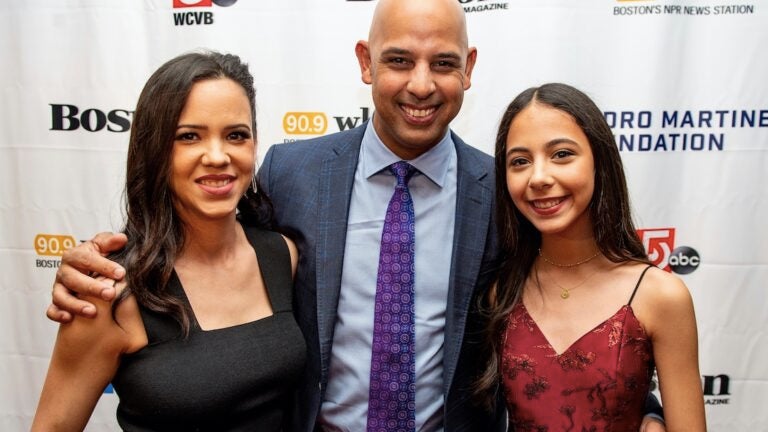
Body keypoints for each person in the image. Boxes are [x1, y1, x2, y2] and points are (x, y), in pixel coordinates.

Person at [45, 2, 668, 431]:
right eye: (398, 60)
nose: (420, 85)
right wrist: (97, 265)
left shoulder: (503, 188)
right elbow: (203, 241)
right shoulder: (291, 173)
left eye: (443, 63)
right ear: (365, 61)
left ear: (469, 68)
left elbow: (573, 300)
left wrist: (643, 404)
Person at [33, 51, 306, 431]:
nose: (217, 156)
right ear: (155, 150)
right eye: (189, 136)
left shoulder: (280, 256)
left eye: (236, 135)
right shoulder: (110, 289)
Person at [475, 83, 706, 430]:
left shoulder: (660, 296)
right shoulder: (503, 291)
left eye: (562, 154)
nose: (539, 177)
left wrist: (653, 418)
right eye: (520, 161)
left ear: (600, 160)